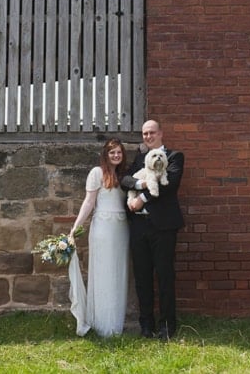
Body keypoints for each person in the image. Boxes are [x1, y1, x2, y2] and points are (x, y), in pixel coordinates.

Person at [122, 120, 185, 341]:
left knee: (165, 276)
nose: (148, 136)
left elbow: (169, 186)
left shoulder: (175, 156)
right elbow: (125, 180)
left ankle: (167, 326)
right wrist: (140, 186)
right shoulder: (140, 158)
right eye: (145, 133)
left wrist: (142, 199)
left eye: (152, 133)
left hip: (164, 227)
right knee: (142, 277)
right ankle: (146, 324)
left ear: (161, 133)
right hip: (139, 226)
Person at [68, 138, 130, 337]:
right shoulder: (97, 173)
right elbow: (89, 202)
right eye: (112, 153)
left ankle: (115, 320)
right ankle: (102, 322)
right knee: (103, 272)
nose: (116, 156)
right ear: (106, 154)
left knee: (118, 273)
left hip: (121, 229)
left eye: (119, 152)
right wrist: (75, 229)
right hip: (102, 228)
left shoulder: (124, 175)